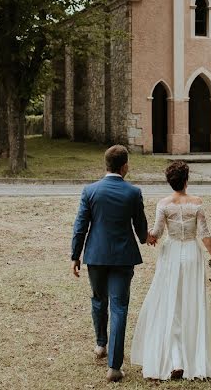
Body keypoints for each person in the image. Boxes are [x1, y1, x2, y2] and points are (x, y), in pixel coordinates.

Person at [131, 160, 211, 380]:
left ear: (170, 182)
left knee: (170, 302)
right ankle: (190, 358)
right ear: (186, 180)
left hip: (171, 254)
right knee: (190, 303)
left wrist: (148, 237)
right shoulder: (197, 202)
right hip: (191, 253)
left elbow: (157, 232)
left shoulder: (163, 204)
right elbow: (205, 234)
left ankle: (174, 359)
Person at [71, 145, 148, 383]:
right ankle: (114, 366)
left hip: (95, 255)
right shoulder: (133, 192)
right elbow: (141, 228)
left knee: (98, 299)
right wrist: (148, 238)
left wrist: (75, 255)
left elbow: (80, 225)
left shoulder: (90, 191)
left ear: (106, 165)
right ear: (124, 166)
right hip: (123, 257)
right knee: (119, 307)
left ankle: (100, 344)